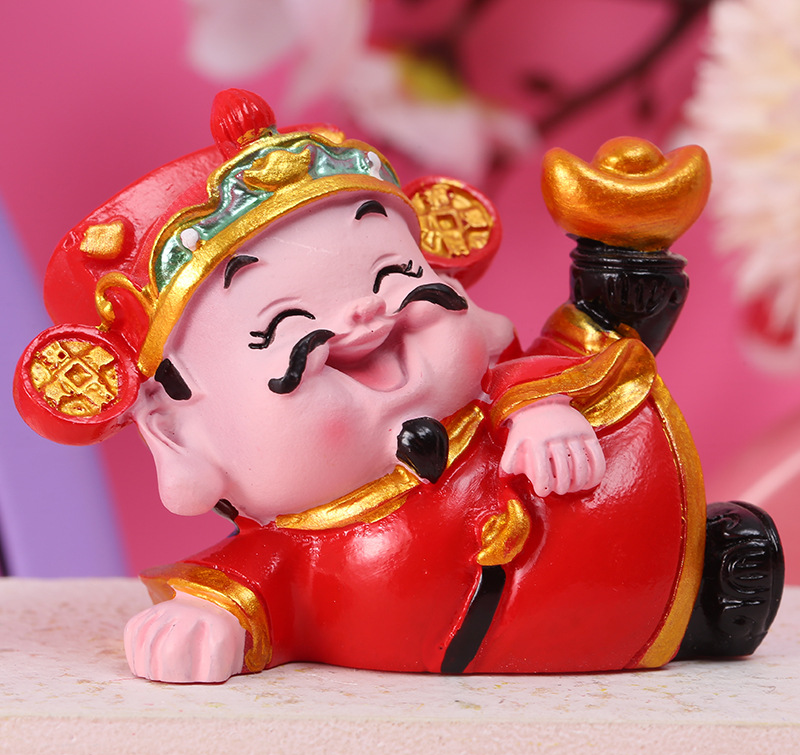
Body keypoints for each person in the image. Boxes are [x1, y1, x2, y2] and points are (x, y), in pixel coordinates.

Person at [14, 89, 783, 683]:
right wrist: (213, 621)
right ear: (178, 430)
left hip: (653, 603)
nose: (366, 316)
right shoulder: (306, 553)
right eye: (283, 323)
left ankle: (701, 589)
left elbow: (582, 347)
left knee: (732, 547)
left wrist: (541, 401)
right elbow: (250, 581)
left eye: (395, 272)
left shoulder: (506, 397)